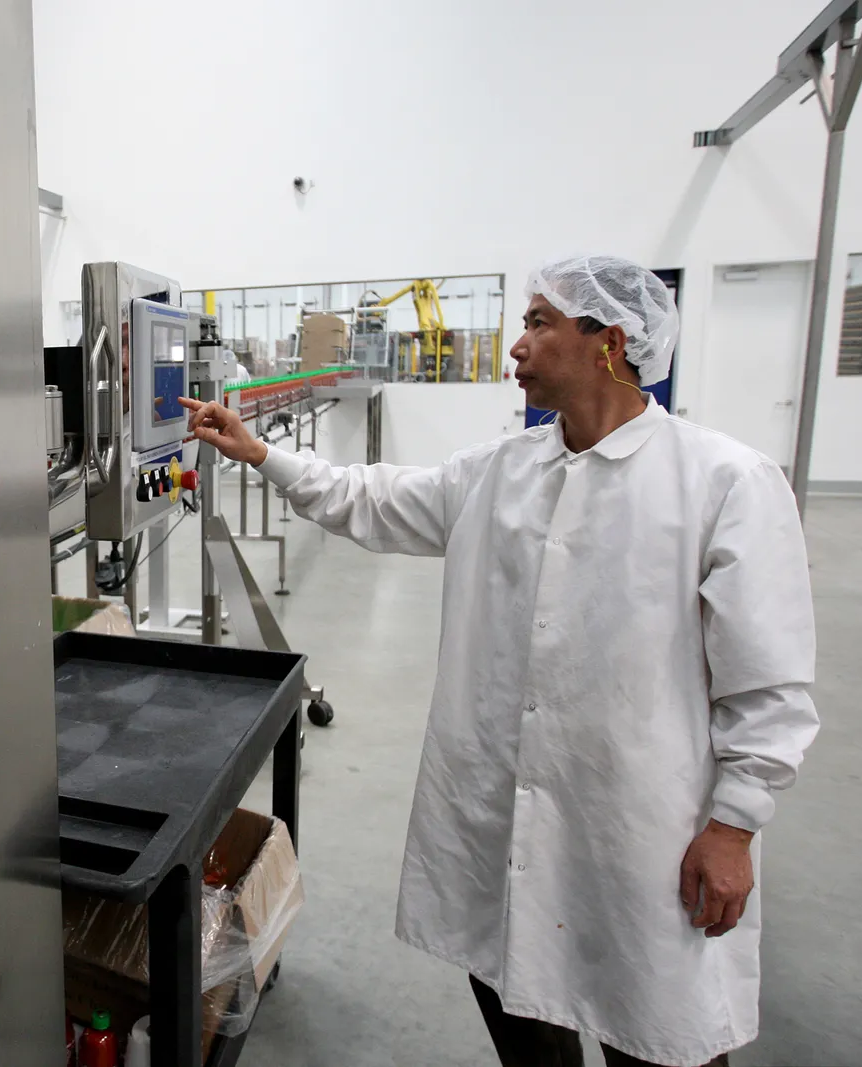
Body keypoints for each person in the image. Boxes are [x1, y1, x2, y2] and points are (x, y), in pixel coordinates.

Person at [180, 255, 819, 1067]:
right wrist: (262, 455)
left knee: (654, 1027)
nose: (516, 345)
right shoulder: (503, 470)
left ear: (609, 344)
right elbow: (370, 499)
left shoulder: (724, 482)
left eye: (539, 322)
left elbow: (768, 683)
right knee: (513, 989)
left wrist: (734, 825)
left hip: (638, 833)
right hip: (499, 812)